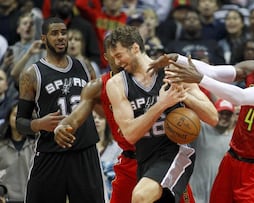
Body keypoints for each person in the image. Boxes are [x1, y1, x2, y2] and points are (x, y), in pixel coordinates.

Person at [149, 39, 254, 202]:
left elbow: (240, 97)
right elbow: (213, 72)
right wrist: (176, 58)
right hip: (232, 159)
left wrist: (200, 79)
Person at [54, 31, 196, 203]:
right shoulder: (100, 86)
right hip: (131, 160)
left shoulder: (158, 76)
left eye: (122, 54)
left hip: (164, 156)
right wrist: (62, 126)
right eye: (115, 56)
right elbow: (75, 117)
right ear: (107, 57)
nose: (120, 61)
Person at [105, 25, 218, 203]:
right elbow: (131, 134)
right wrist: (162, 104)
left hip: (176, 152)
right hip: (145, 157)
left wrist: (185, 95)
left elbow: (212, 117)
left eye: (119, 55)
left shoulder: (173, 71)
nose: (117, 62)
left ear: (135, 48)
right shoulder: (116, 84)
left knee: (141, 197)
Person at [15, 17, 105, 203]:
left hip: (85, 151)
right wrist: (39, 124)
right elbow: (20, 122)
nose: (61, 37)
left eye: (64, 33)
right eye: (55, 33)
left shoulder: (85, 66)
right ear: (43, 38)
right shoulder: (32, 74)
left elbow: (99, 105)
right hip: (51, 153)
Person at [189, 98, 235, 203]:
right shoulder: (199, 128)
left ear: (233, 117)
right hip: (196, 195)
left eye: (228, 114)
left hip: (220, 197)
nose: (224, 117)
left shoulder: (235, 139)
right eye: (221, 113)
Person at [0, 101, 36, 202]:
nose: (17, 120)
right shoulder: (1, 145)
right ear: (8, 117)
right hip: (6, 199)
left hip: (31, 198)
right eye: (15, 115)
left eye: (22, 117)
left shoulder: (37, 146)